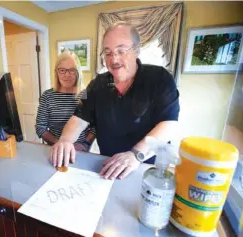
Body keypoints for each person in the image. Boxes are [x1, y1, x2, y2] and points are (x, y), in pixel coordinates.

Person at [51, 21, 180, 179]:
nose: (114, 59)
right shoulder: (96, 84)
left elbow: (169, 124)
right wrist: (65, 140)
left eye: (121, 50)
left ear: (137, 50)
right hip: (108, 168)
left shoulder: (160, 78)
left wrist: (135, 155)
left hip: (149, 169)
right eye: (108, 52)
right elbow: (78, 117)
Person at [36, 51, 95, 151]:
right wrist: (61, 145)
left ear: (78, 72)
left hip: (80, 151)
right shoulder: (47, 96)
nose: (67, 75)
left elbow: (95, 127)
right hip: (55, 149)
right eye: (62, 70)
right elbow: (40, 128)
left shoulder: (86, 95)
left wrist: (84, 145)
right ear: (56, 72)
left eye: (72, 70)